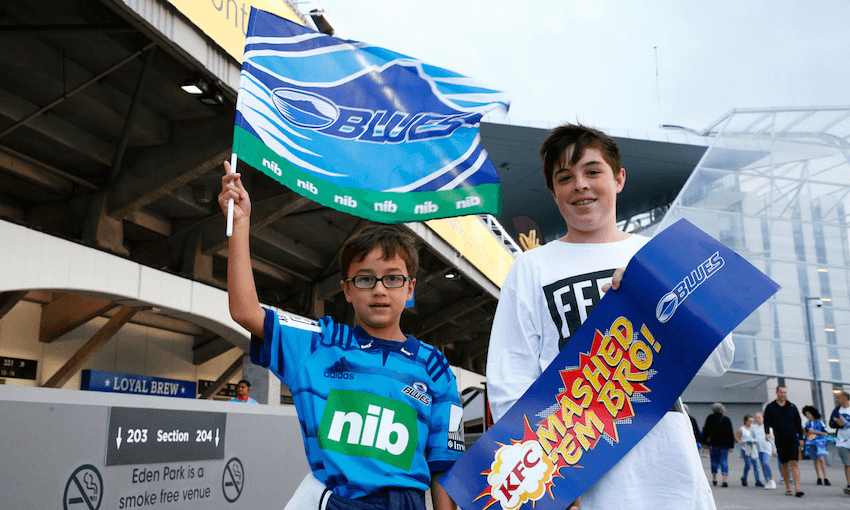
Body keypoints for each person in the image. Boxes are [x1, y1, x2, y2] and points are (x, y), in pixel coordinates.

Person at [486, 123, 735, 510]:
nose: (580, 185)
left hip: (667, 464)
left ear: (618, 178)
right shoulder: (531, 267)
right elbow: (509, 379)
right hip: (579, 464)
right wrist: (546, 479)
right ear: (553, 193)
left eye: (592, 171)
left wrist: (655, 294)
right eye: (565, 177)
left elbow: (719, 359)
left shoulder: (661, 256)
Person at [219, 164, 463, 510]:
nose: (379, 290)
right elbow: (245, 312)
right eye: (364, 279)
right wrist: (240, 225)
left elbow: (444, 464)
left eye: (392, 278)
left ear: (410, 289)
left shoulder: (436, 367)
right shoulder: (319, 344)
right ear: (347, 291)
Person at [763, 385, 805, 497]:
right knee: (784, 463)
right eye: (781, 392)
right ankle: (788, 487)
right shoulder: (771, 407)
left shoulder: (792, 406)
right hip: (780, 439)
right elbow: (766, 421)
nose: (783, 394)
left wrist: (801, 438)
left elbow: (798, 423)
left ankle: (797, 488)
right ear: (777, 393)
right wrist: (767, 433)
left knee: (794, 463)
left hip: (792, 439)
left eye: (785, 392)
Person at [702, 402, 735, 488]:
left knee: (714, 461)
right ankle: (724, 480)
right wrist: (732, 446)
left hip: (713, 443)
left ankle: (714, 478)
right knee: (724, 461)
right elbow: (730, 433)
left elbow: (706, 432)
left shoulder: (710, 418)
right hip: (724, 444)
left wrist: (704, 443)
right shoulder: (726, 419)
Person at [802, 405, 831, 486]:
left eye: (809, 414)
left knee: (821, 459)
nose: (808, 416)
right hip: (811, 442)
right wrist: (805, 432)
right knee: (815, 460)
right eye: (806, 414)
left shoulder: (819, 422)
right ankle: (818, 477)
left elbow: (825, 433)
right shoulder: (807, 424)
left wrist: (815, 432)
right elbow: (807, 435)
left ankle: (825, 477)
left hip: (819, 442)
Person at [828, 390, 850, 495]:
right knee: (847, 463)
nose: (836, 400)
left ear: (844, 399)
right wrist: (837, 423)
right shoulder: (837, 410)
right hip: (842, 441)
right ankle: (849, 484)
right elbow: (831, 423)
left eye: (838, 398)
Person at [734, 414, 763, 487]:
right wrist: (740, 442)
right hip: (747, 446)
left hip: (754, 446)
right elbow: (736, 436)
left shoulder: (755, 428)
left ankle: (757, 480)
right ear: (746, 421)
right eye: (750, 421)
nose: (751, 423)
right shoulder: (742, 429)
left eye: (753, 421)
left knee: (756, 464)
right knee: (748, 464)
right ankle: (744, 478)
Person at [753, 412, 777, 489]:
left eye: (759, 417)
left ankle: (771, 479)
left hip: (767, 449)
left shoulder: (768, 428)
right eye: (756, 418)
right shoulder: (753, 427)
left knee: (766, 463)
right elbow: (751, 437)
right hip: (758, 449)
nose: (757, 419)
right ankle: (767, 481)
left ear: (763, 418)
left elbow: (773, 440)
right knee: (763, 465)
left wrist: (775, 450)